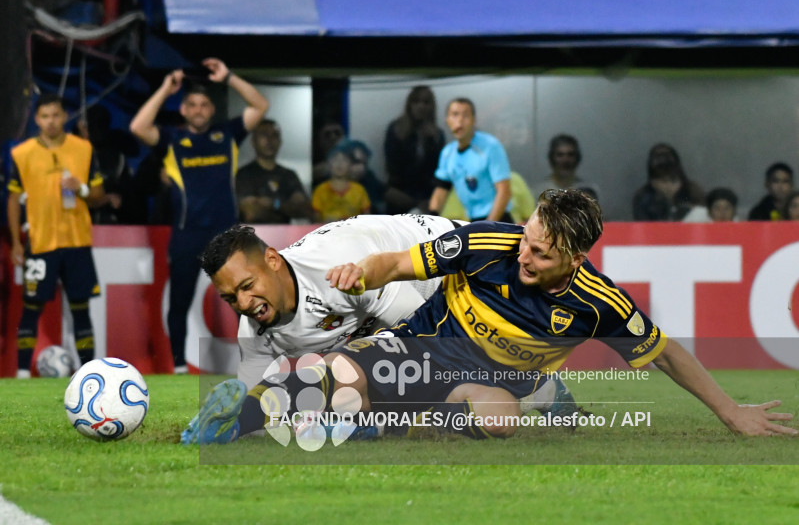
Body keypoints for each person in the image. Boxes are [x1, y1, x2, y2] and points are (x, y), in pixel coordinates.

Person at [184, 189, 796, 444]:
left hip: (500, 376)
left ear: (577, 258)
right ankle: (239, 417)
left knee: (496, 419)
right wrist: (366, 274)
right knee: (343, 372)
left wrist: (730, 411)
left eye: (541, 252)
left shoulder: (599, 304)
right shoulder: (487, 245)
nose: (523, 256)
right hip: (425, 332)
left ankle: (538, 396)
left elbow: (662, 351)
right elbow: (398, 264)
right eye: (525, 239)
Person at [181, 213, 576, 444]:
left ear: (272, 259)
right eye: (231, 298)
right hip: (404, 293)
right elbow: (258, 401)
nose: (244, 304)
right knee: (343, 384)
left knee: (438, 373)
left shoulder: (338, 269)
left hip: (451, 264)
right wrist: (237, 424)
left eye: (247, 287)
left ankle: (539, 390)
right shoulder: (254, 332)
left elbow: (425, 338)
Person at [129, 57, 269, 372]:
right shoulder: (172, 140)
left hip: (226, 235)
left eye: (204, 104)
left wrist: (229, 76)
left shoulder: (228, 134)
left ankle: (257, 362)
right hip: (186, 234)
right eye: (191, 104)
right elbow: (138, 126)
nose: (198, 110)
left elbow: (260, 106)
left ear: (212, 109)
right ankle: (179, 366)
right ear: (183, 110)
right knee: (179, 302)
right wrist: (166, 89)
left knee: (243, 302)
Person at [6, 94, 105, 378]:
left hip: (77, 242)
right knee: (31, 305)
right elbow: (13, 199)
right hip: (40, 242)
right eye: (45, 116)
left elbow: (99, 194)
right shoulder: (21, 153)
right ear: (37, 119)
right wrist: (16, 241)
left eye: (56, 115)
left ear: (65, 117)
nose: (51, 121)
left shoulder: (83, 149)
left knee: (80, 308)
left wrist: (81, 189)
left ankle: (89, 373)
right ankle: (23, 373)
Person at [428, 98, 513, 222]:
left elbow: (504, 191)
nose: (460, 120)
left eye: (466, 115)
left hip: (499, 220)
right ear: (447, 120)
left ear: (474, 120)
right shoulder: (447, 153)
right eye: (455, 115)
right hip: (473, 222)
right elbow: (441, 190)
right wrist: (430, 221)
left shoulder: (490, 146)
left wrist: (488, 225)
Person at [235, 119, 313, 224]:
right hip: (253, 237)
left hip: (285, 238)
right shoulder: (244, 174)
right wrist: (287, 207)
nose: (269, 140)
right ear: (253, 141)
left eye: (274, 135)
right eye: (264, 135)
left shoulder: (289, 175)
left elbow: (304, 210)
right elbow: (252, 213)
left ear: (280, 141)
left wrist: (273, 204)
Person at [383, 86, 445, 214]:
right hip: (400, 193)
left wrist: (433, 141)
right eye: (416, 102)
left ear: (431, 107)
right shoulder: (396, 129)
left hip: (427, 195)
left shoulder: (437, 134)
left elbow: (440, 171)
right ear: (409, 105)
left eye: (426, 102)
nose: (421, 106)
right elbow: (392, 167)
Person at [632, 143, 705, 221]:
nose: (668, 185)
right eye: (663, 181)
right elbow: (642, 225)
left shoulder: (693, 190)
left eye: (673, 180)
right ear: (654, 182)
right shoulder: (643, 196)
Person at [531, 134, 600, 201]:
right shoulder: (538, 193)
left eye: (570, 154)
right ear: (551, 158)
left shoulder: (588, 193)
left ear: (577, 158)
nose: (565, 160)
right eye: (560, 155)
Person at [312, 146, 371, 223]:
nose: (339, 164)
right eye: (335, 160)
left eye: (344, 160)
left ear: (350, 165)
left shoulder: (359, 190)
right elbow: (316, 219)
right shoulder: (320, 190)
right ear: (329, 164)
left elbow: (367, 218)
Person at [338, 139, 386, 214]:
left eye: (364, 164)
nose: (361, 168)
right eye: (356, 162)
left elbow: (388, 192)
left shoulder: (367, 178)